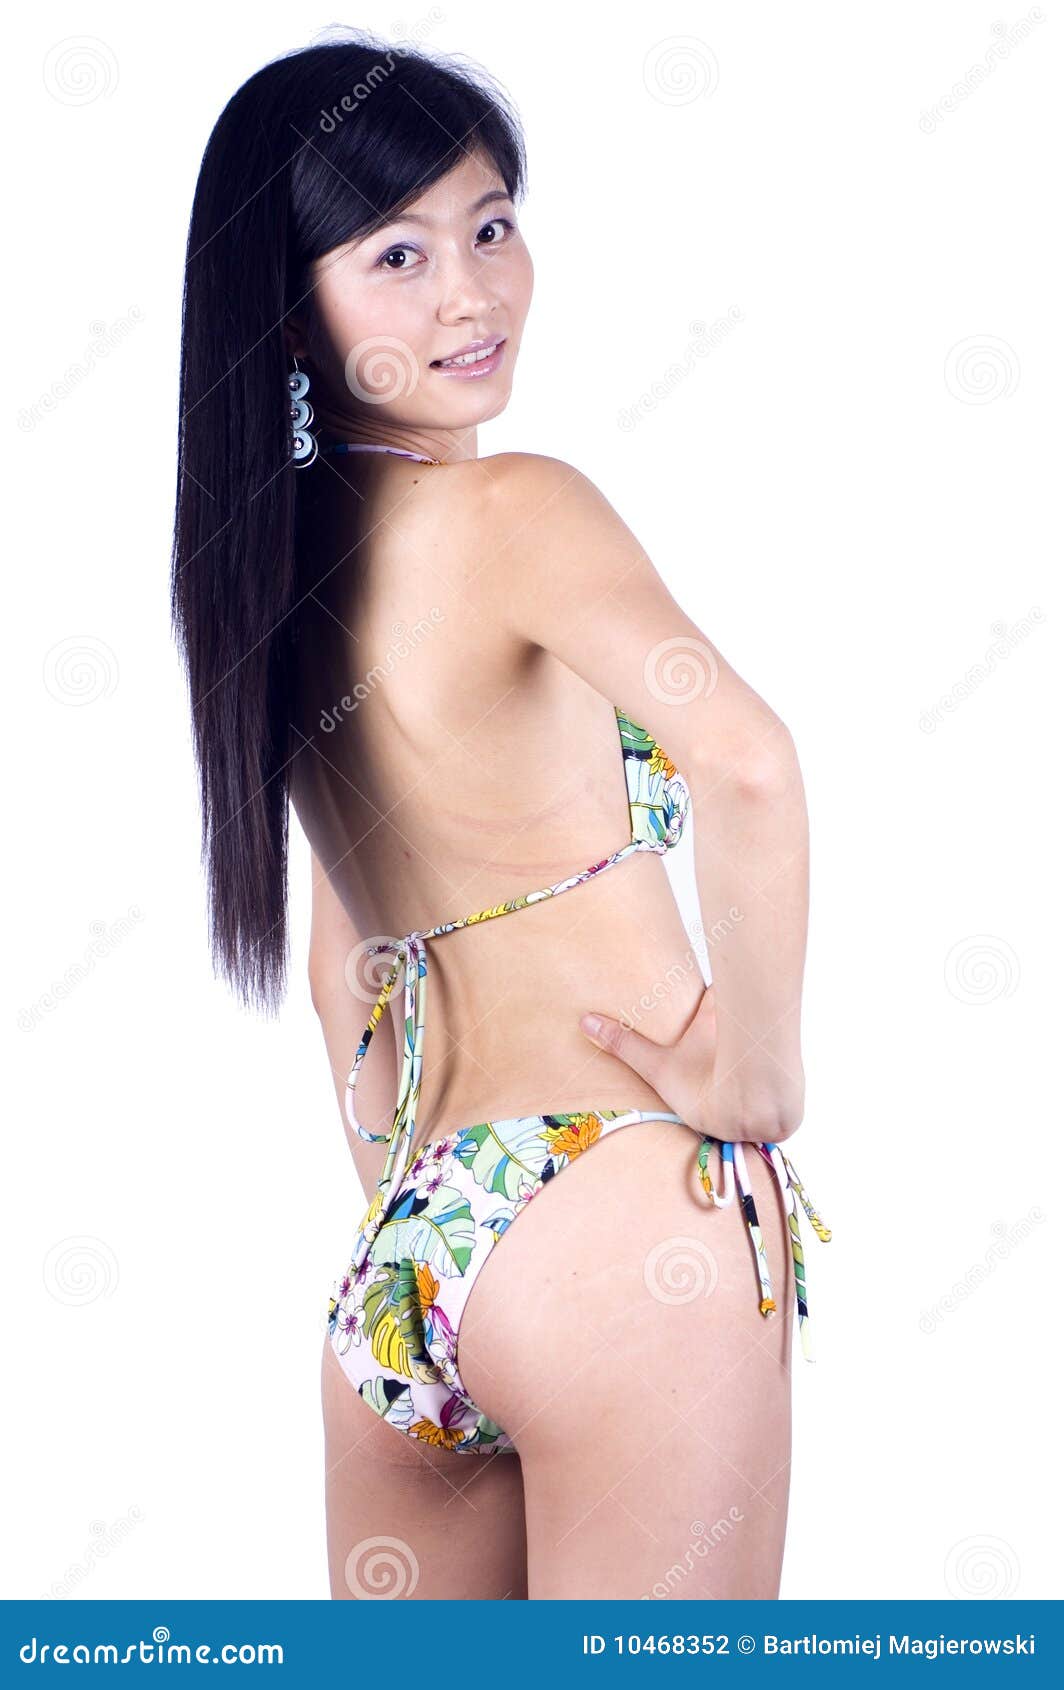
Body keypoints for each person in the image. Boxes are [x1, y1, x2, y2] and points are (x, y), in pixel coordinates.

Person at [171, 32, 830, 1602]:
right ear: (293, 307)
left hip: (415, 1258)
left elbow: (343, 960)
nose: (469, 294)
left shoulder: (273, 582)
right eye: (396, 255)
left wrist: (439, 1218)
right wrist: (754, 1075)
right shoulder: (516, 508)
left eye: (489, 226)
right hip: (625, 1215)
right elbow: (749, 764)